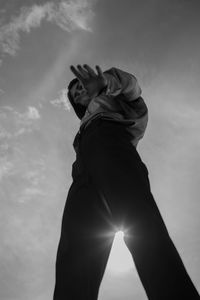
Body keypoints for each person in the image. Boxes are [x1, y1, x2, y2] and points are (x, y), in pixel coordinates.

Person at [53, 64, 200, 300]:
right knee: (75, 248)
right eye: (75, 94)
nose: (79, 92)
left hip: (113, 150)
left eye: (81, 87)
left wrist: (104, 84)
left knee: (140, 226)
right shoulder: (83, 127)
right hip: (82, 169)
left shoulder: (121, 103)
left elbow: (132, 86)